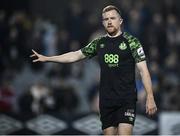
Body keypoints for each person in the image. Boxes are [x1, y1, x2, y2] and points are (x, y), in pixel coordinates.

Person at [30, 5, 157, 135]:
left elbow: (143, 71)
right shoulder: (99, 43)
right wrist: (48, 58)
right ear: (102, 22)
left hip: (126, 98)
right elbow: (75, 55)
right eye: (106, 19)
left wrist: (150, 96)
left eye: (112, 18)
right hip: (106, 99)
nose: (109, 21)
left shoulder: (132, 42)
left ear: (120, 21)